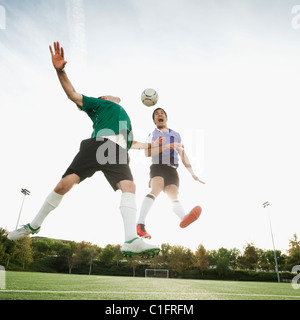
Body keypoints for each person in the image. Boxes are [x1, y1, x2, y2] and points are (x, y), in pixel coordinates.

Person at [8, 42, 181, 258]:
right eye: (109, 96)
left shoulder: (124, 118)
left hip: (118, 151)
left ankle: (130, 240)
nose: (114, 97)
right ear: (102, 99)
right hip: (96, 145)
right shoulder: (99, 106)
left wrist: (161, 144)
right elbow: (72, 94)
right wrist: (60, 70)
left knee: (129, 185)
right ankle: (33, 225)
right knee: (63, 185)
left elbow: (134, 144)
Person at [136, 107, 205, 239]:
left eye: (162, 113)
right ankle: (140, 224)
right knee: (157, 187)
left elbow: (183, 154)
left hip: (172, 169)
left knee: (172, 194)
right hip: (158, 166)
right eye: (156, 114)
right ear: (154, 121)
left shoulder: (176, 135)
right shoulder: (152, 135)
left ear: (166, 118)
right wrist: (166, 146)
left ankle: (184, 218)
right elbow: (147, 153)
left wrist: (192, 173)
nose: (159, 115)